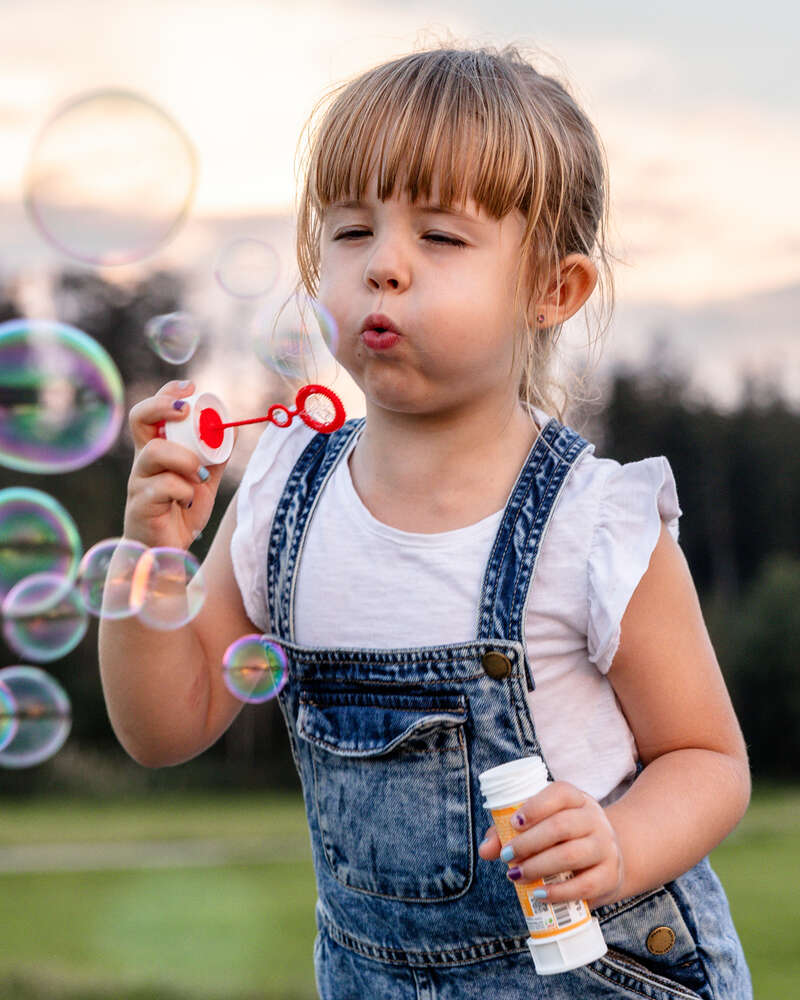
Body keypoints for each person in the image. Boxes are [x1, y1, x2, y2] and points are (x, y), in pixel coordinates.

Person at [99, 45, 753, 999]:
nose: (386, 268)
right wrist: (151, 559)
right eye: (353, 230)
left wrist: (621, 841)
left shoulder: (594, 522)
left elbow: (709, 759)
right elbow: (163, 728)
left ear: (551, 291)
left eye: (440, 239)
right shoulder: (285, 490)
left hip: (599, 974)